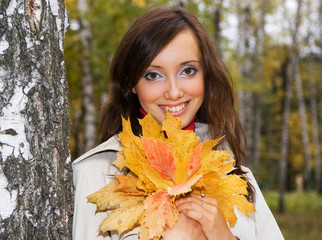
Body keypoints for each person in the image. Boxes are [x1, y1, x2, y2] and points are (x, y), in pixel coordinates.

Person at [72, 6, 284, 240]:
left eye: (188, 70)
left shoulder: (238, 177)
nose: (174, 92)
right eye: (153, 75)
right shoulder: (94, 175)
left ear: (206, 75)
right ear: (131, 83)